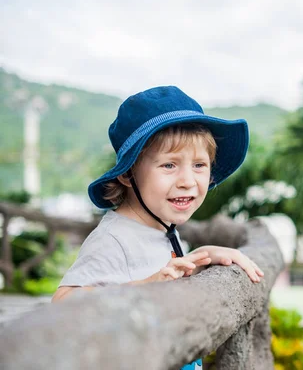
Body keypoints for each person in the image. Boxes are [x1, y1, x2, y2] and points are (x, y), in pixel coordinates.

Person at [51, 86, 263, 370]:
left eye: (199, 165)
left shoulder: (162, 229)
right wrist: (145, 286)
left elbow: (162, 275)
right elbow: (61, 307)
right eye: (169, 165)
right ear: (128, 174)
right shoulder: (114, 238)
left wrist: (203, 257)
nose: (188, 180)